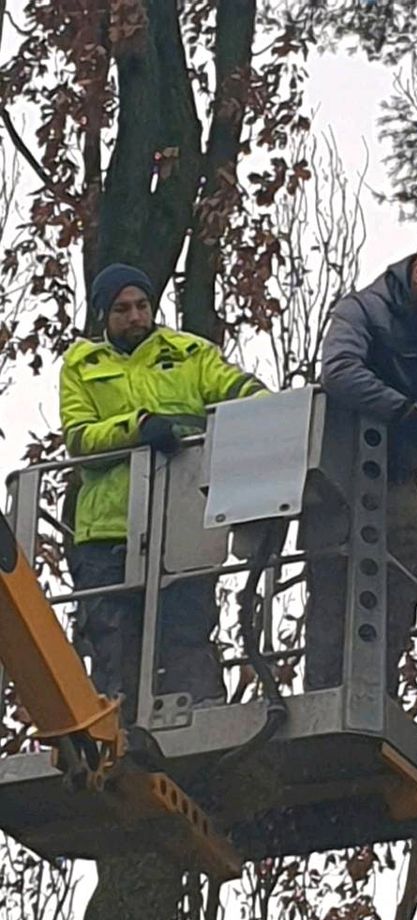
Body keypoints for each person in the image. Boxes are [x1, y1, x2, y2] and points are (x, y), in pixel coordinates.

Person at [60, 263, 267, 720]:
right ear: (103, 316)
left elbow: (240, 390)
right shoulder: (82, 365)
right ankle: (113, 726)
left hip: (182, 520)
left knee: (188, 629)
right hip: (107, 529)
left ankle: (199, 717)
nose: (135, 317)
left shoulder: (189, 354)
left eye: (142, 306)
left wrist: (272, 410)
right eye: (122, 310)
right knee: (112, 639)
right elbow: (79, 437)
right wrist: (136, 428)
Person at [305, 234, 417, 692]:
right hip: (339, 480)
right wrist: (406, 413)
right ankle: (325, 696)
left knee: (398, 596)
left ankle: (378, 695)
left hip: (402, 483)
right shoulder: (362, 311)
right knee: (333, 596)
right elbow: (340, 372)